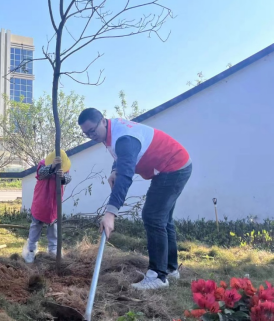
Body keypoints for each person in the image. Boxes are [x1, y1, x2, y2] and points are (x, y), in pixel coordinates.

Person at [78, 108, 192, 291]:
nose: (91, 135)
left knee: (153, 217)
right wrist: (114, 169)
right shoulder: (111, 132)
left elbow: (126, 175)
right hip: (173, 165)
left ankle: (158, 276)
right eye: (86, 134)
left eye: (92, 130)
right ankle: (170, 269)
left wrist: (110, 213)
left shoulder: (124, 138)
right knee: (164, 220)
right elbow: (120, 157)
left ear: (103, 121)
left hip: (174, 167)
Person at [22, 150, 72, 264]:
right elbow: (40, 174)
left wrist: (63, 176)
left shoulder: (64, 168)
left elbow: (68, 179)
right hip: (41, 200)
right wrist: (52, 166)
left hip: (54, 202)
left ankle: (53, 250)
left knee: (53, 228)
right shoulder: (43, 164)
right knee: (36, 225)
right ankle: (30, 249)